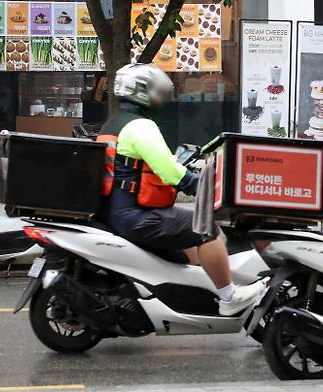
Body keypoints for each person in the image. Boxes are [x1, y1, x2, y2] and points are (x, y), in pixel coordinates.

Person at [97, 64, 268, 316]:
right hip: (135, 216)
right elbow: (168, 171)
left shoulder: (113, 124)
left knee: (184, 225)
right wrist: (201, 185)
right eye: (159, 92)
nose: (162, 98)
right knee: (205, 227)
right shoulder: (140, 127)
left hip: (115, 212)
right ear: (146, 93)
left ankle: (194, 290)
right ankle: (229, 297)